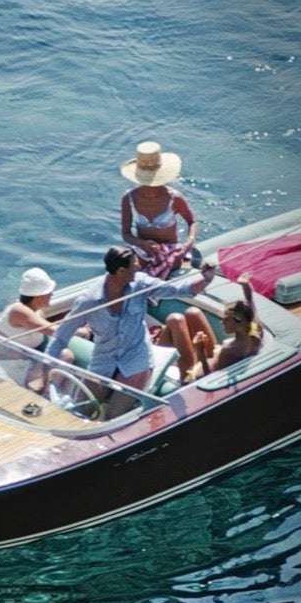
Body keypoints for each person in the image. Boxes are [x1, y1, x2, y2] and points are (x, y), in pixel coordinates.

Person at [81, 245, 160, 410]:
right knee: (80, 408)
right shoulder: (95, 296)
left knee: (114, 414)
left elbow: (174, 288)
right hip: (107, 358)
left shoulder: (139, 286)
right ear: (121, 271)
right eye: (135, 263)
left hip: (136, 361)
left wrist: (203, 280)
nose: (138, 266)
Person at [119, 141, 198, 271]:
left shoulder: (175, 198)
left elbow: (192, 221)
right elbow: (126, 234)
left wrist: (188, 243)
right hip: (143, 249)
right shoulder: (128, 199)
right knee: (128, 267)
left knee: (178, 263)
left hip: (171, 249)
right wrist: (142, 244)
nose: (151, 186)